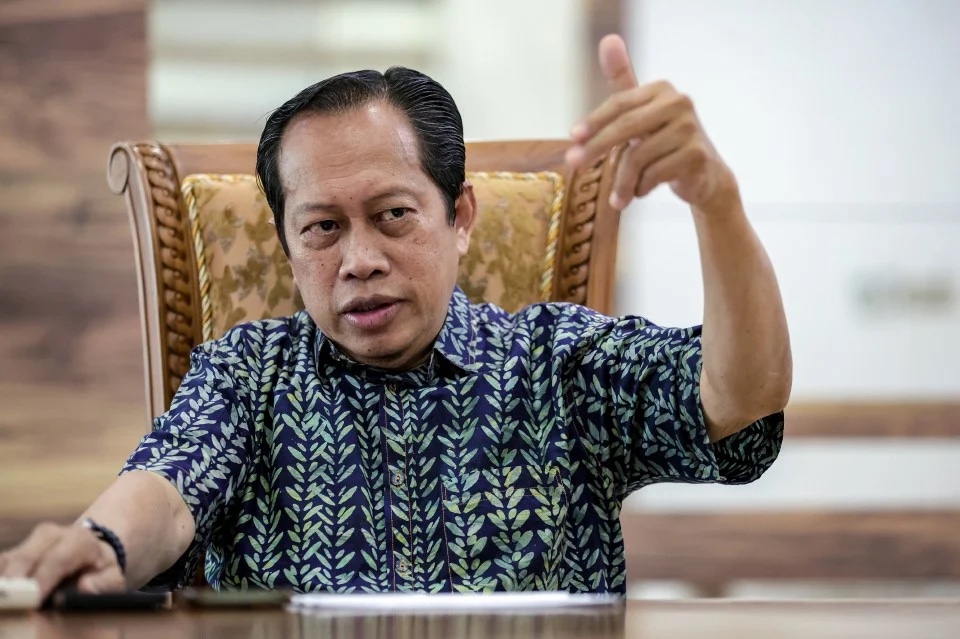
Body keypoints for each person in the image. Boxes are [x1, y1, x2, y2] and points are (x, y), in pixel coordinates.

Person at [0, 35, 791, 598]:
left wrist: (715, 201)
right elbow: (166, 487)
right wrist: (100, 543)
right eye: (323, 227)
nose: (360, 259)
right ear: (287, 245)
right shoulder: (247, 375)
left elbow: (741, 393)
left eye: (393, 215)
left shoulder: (558, 363)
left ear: (460, 217)